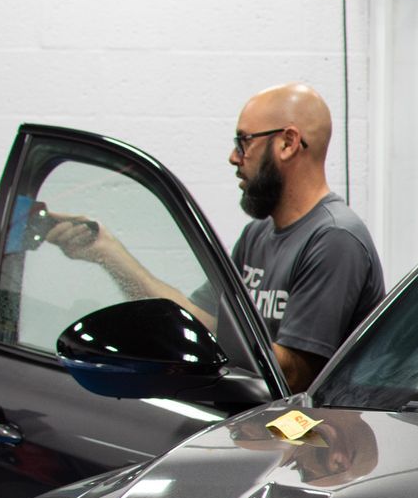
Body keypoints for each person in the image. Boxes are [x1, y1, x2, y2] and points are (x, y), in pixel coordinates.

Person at [46, 83, 384, 391]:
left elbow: (294, 376)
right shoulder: (257, 236)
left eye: (243, 141)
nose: (234, 157)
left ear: (288, 143)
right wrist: (108, 253)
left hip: (313, 447)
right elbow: (201, 320)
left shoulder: (334, 239)